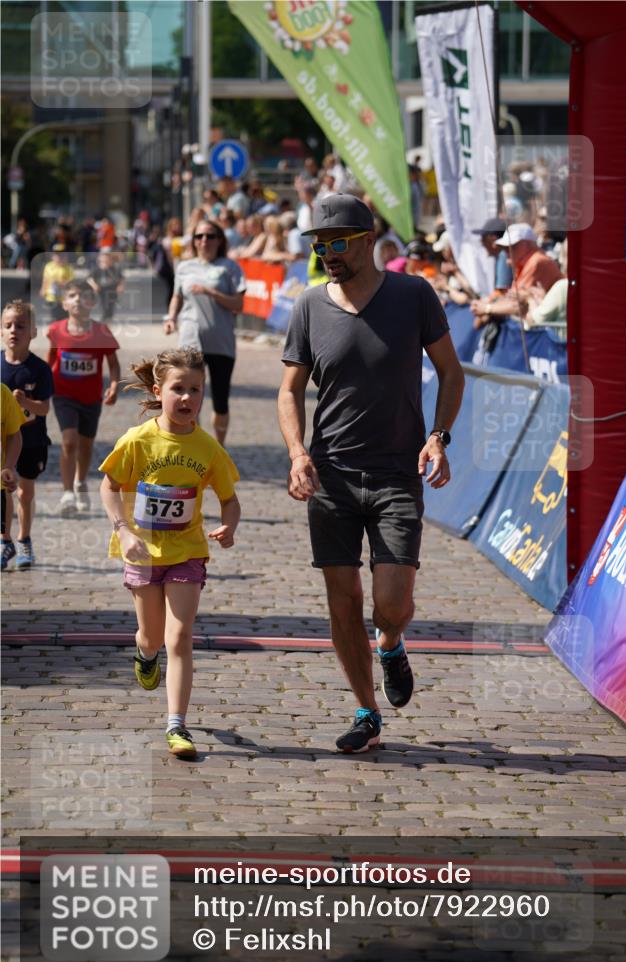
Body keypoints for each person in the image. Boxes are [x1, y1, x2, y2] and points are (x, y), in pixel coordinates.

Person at [277, 194, 464, 753]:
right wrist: (296, 453)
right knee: (341, 598)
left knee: (391, 603)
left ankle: (391, 644)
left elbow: (451, 374)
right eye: (319, 244)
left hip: (395, 473)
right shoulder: (309, 306)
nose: (327, 253)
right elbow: (289, 391)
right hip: (330, 474)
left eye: (337, 242)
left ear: (366, 238)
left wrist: (438, 437)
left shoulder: (413, 295)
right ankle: (366, 712)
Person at [99, 349, 241, 759]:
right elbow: (109, 486)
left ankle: (177, 725)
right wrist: (123, 531)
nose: (187, 398)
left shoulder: (207, 448)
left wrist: (229, 524)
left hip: (187, 551)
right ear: (159, 391)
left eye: (195, 390)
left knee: (179, 637)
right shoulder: (138, 439)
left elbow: (230, 499)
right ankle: (144, 654)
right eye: (178, 389)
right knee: (153, 636)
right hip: (142, 551)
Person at [164, 220, 246, 446]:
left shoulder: (229, 267)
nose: (204, 241)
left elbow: (238, 304)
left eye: (210, 236)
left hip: (221, 342)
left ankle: (219, 449)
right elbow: (177, 297)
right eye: (199, 236)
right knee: (189, 398)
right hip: (190, 339)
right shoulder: (184, 267)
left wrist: (211, 292)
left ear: (219, 240)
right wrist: (171, 318)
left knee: (220, 401)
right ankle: (194, 446)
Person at [47, 280, 121, 515]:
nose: (78, 299)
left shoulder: (101, 332)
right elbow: (51, 359)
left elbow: (113, 364)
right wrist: (42, 383)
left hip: (91, 397)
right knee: (69, 441)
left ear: (93, 302)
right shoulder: (56, 330)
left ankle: (80, 482)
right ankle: (68, 492)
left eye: (84, 295)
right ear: (64, 303)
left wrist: (115, 386)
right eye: (72, 295)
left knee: (86, 444)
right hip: (63, 394)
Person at [1, 300, 54, 569]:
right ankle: (4, 541)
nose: (13, 331)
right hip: (3, 444)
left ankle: (24, 540)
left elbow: (44, 407)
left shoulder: (39, 369)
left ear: (33, 332)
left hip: (32, 441)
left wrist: (24, 404)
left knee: (25, 493)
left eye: (20, 326)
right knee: (3, 494)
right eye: (8, 325)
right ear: (0, 331)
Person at [471, 223, 563, 324]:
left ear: (528, 244)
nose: (507, 251)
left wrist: (486, 309)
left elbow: (516, 305)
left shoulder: (536, 261)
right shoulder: (524, 262)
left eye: (513, 246)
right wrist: (487, 308)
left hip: (552, 332)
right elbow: (511, 298)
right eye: (505, 248)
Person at [1, 382, 26, 570]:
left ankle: (5, 541)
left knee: (2, 494)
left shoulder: (2, 393)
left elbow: (14, 435)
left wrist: (9, 466)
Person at [88, 248, 125, 322]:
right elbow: (89, 278)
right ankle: (104, 319)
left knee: (111, 305)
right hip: (101, 291)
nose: (105, 262)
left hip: (112, 291)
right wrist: (94, 285)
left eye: (107, 259)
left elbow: (121, 279)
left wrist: (121, 286)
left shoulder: (114, 269)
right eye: (103, 259)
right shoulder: (96, 269)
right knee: (104, 305)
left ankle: (108, 318)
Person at [40, 247, 75, 323]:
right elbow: (45, 278)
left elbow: (72, 281)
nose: (60, 258)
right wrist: (43, 289)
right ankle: (56, 329)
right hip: (52, 296)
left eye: (62, 255)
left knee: (64, 316)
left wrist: (63, 283)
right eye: (57, 256)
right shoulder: (48, 266)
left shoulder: (68, 267)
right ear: (52, 256)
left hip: (64, 297)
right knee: (54, 315)